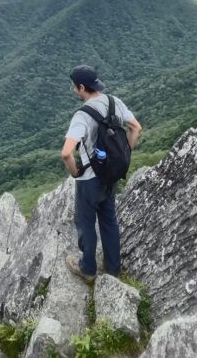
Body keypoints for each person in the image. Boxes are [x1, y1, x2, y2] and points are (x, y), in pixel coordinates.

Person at [61, 65, 142, 282]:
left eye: (74, 87)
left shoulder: (82, 115)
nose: (74, 91)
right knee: (109, 219)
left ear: (81, 87)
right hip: (111, 174)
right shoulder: (115, 102)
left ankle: (87, 269)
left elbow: (67, 153)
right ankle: (113, 270)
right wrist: (124, 155)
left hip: (89, 180)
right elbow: (136, 128)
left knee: (85, 222)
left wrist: (75, 173)